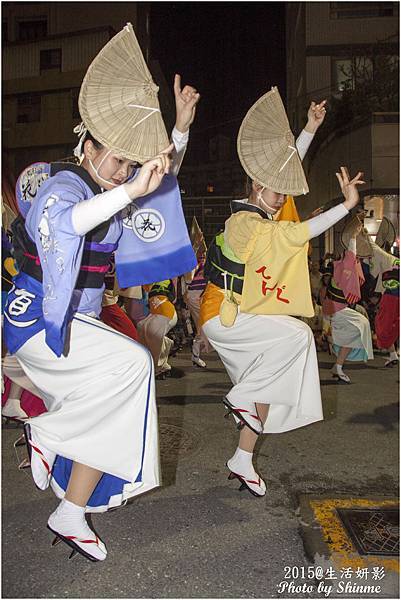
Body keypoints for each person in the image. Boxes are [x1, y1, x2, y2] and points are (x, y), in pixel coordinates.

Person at [2, 24, 200, 562]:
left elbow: (158, 184)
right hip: (38, 319)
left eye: (129, 166)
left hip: (79, 324)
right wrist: (127, 191)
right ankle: (46, 433)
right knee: (134, 366)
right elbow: (65, 223)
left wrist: (178, 130)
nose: (124, 173)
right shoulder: (62, 184)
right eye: (116, 161)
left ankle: (71, 510)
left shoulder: (119, 187)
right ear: (87, 146)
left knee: (121, 399)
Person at [200, 87, 363, 497]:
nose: (281, 200)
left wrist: (308, 129)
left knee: (270, 387)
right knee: (297, 337)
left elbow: (285, 175)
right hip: (225, 316)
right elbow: (297, 231)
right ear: (256, 186)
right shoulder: (245, 220)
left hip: (245, 317)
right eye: (275, 193)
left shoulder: (267, 209)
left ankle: (243, 457)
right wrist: (345, 207)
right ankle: (241, 399)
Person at [322, 221, 374, 383]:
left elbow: (354, 255)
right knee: (362, 324)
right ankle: (333, 344)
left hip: (336, 309)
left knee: (356, 332)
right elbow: (352, 253)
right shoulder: (345, 265)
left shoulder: (340, 266)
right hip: (338, 309)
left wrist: (360, 236)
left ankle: (338, 365)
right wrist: (354, 235)